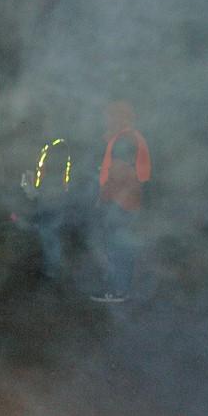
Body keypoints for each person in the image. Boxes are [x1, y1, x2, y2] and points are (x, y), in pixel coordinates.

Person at [90, 101, 151, 303]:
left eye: (109, 116)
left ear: (119, 118)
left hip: (120, 203)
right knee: (121, 245)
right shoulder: (128, 137)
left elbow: (119, 174)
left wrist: (104, 198)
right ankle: (119, 285)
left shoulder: (124, 140)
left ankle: (117, 291)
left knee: (119, 247)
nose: (105, 120)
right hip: (127, 202)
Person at [21, 137, 73, 281]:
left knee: (50, 235)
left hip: (53, 200)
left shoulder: (58, 147)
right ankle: (50, 268)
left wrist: (43, 192)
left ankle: (52, 271)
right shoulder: (49, 147)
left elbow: (57, 176)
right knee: (47, 234)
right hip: (47, 198)